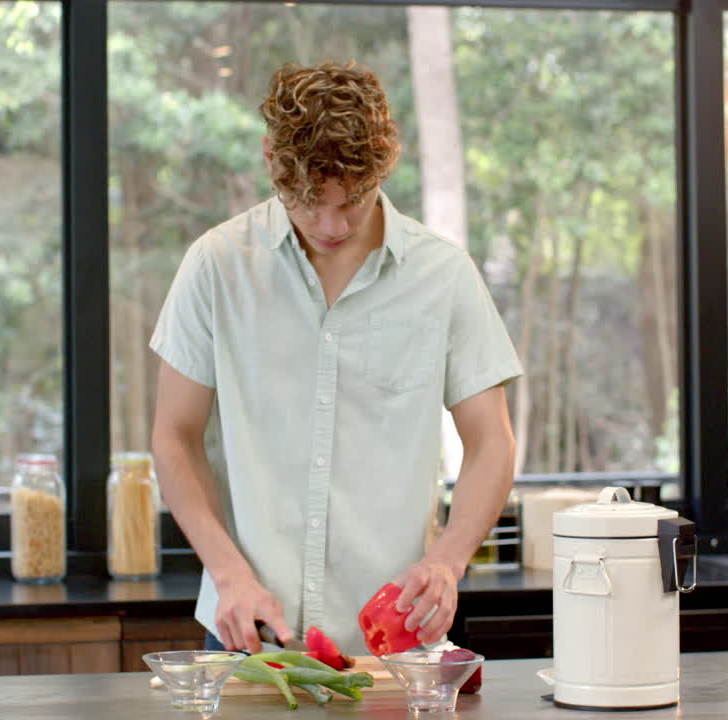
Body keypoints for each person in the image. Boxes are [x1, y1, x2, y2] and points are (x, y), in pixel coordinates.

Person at [149, 60, 522, 656]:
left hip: (397, 646)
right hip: (250, 638)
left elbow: (491, 442)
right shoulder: (215, 267)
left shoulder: (444, 277)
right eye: (309, 201)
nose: (332, 224)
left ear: (385, 165)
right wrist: (229, 574)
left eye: (353, 201)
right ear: (271, 160)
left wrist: (448, 563)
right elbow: (175, 436)